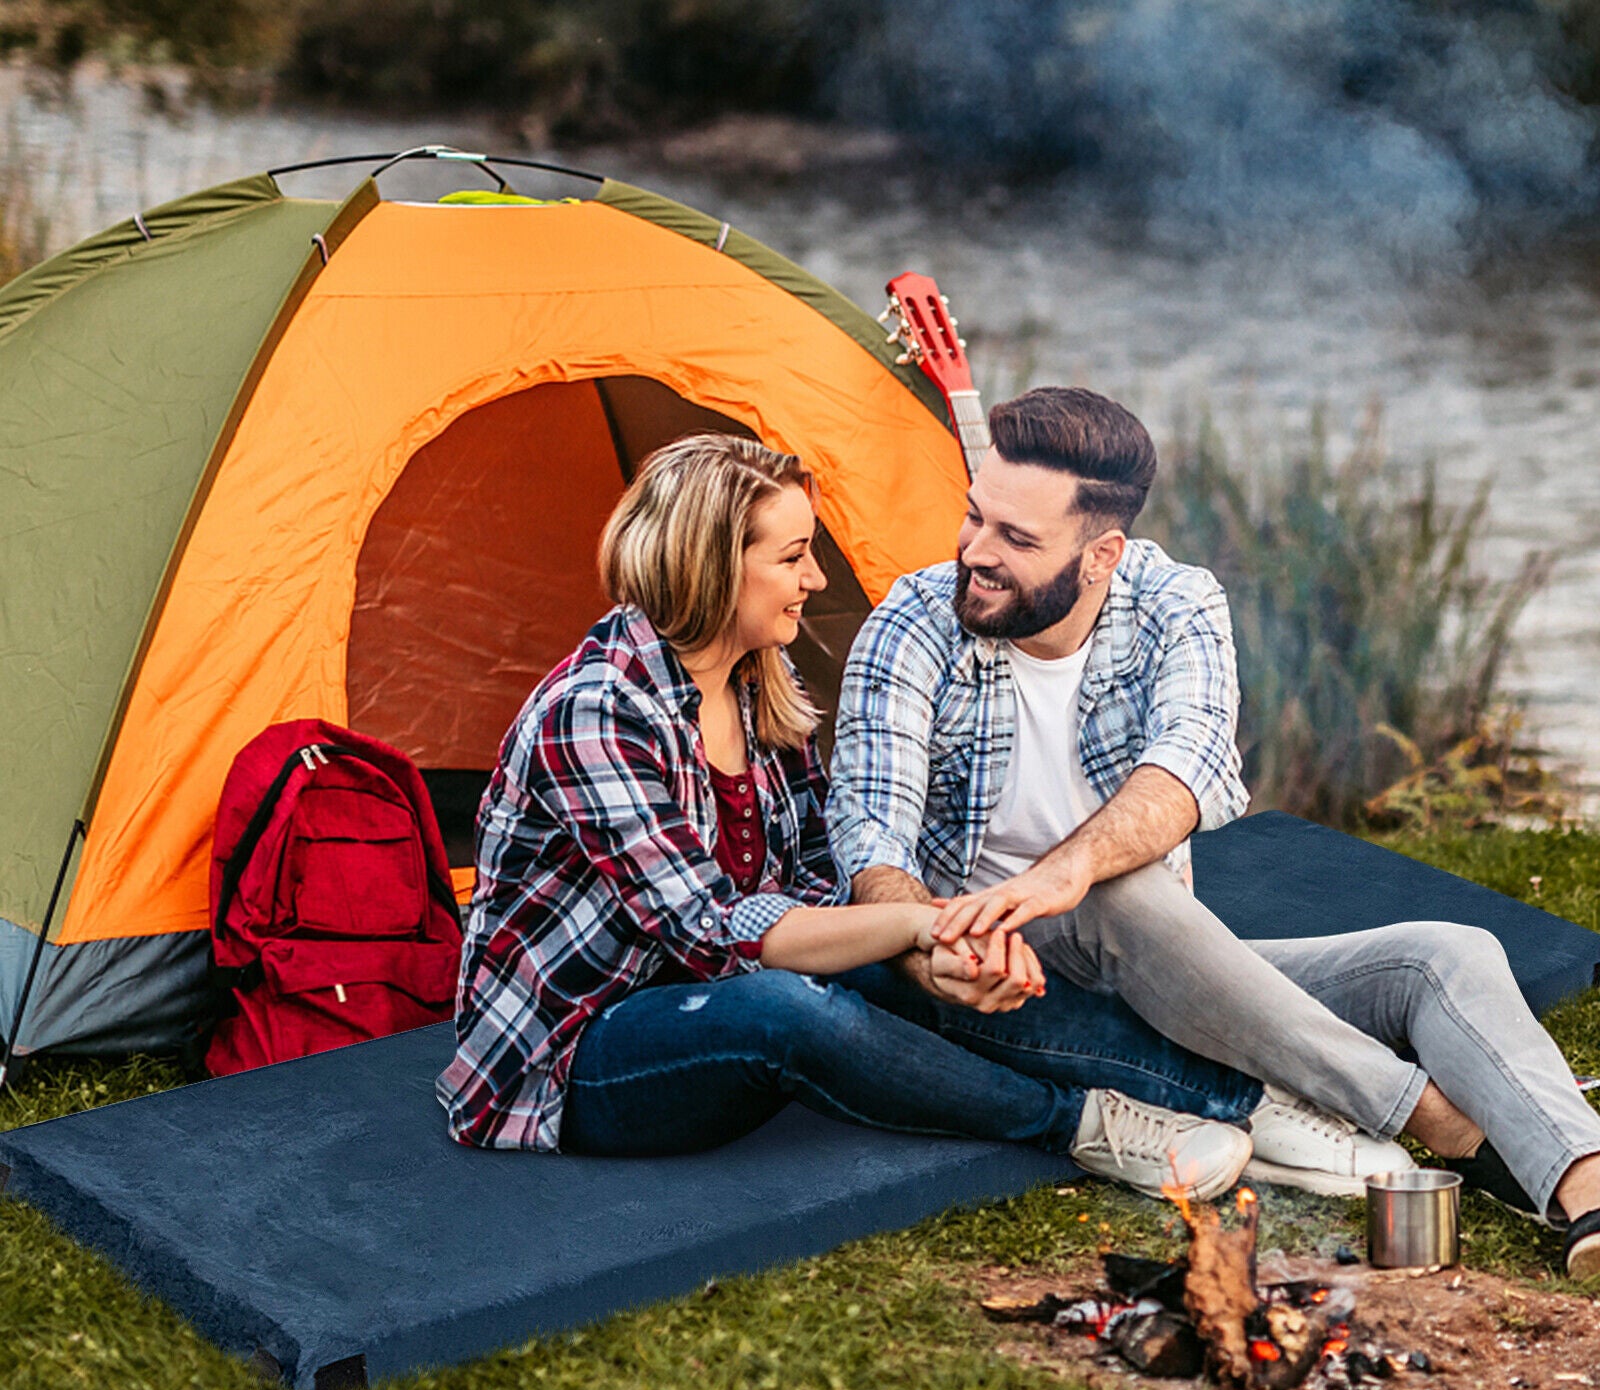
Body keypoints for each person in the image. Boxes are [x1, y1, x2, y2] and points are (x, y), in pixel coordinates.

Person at [827, 384, 1600, 1275]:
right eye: (976, 520)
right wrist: (925, 942)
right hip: (1005, 978)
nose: (976, 553)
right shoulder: (914, 622)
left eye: (1017, 539)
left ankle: (1585, 1185)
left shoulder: (1177, 604)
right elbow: (870, 835)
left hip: (1166, 958)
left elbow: (1191, 770)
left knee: (1447, 954)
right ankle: (1439, 1120)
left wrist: (1060, 874)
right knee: (1124, 891)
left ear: (1101, 554)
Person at [437, 432, 1258, 1198]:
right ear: (714, 567)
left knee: (910, 959)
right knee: (792, 1005)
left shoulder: (759, 680)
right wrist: (916, 930)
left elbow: (813, 883)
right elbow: (707, 931)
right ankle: (1083, 1127)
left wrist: (936, 947)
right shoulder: (596, 712)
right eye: (794, 556)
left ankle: (1233, 1097)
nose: (817, 579)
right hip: (572, 1060)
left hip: (718, 989)